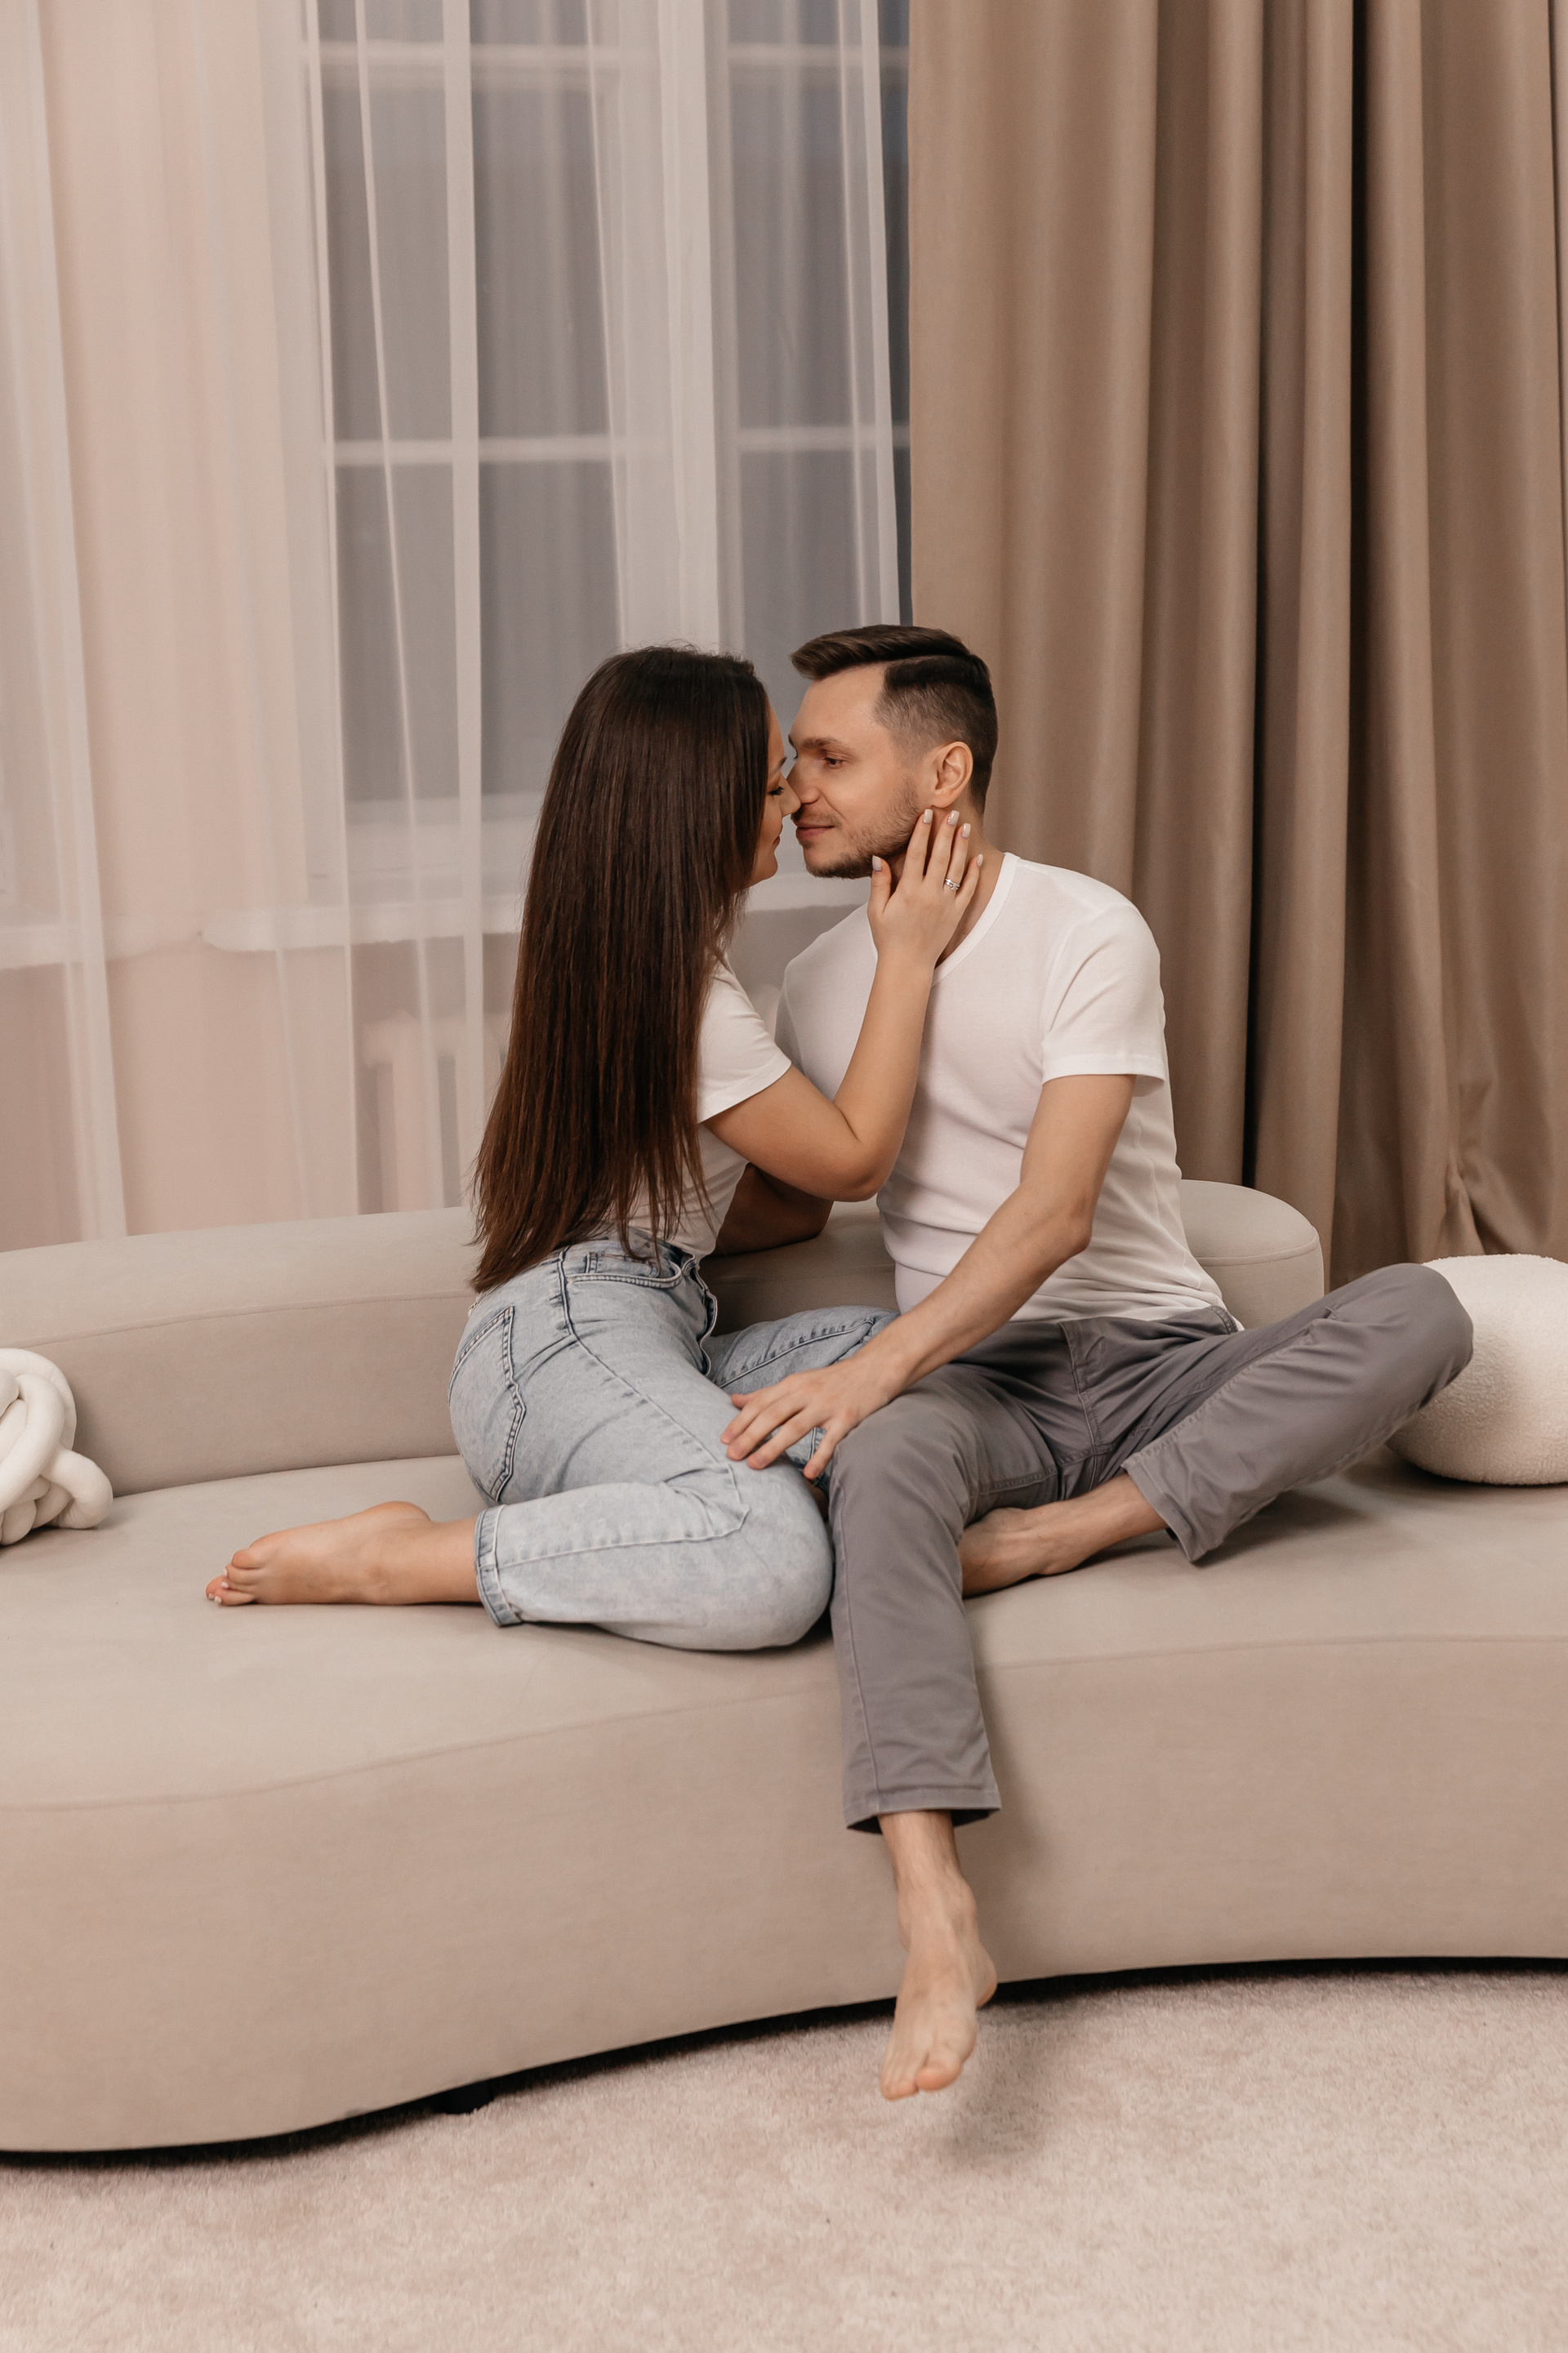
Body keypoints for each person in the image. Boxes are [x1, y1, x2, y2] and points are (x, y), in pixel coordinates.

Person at [717, 624, 1474, 2103]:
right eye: (797, 761)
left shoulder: (1084, 928)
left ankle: (1073, 1533)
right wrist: (633, 1219)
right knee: (880, 1457)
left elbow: (1056, 1213)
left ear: (944, 774)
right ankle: (934, 1906)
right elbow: (806, 1195)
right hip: (979, 1389)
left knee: (1425, 1312)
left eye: (829, 758)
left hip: (1156, 1358)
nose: (797, 788)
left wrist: (876, 1366)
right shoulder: (815, 977)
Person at [205, 643, 979, 1638]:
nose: (792, 799)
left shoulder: (640, 962)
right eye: (770, 781)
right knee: (772, 1553)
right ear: (696, 808)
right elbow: (857, 1160)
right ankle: (397, 1556)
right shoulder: (687, 1000)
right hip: (562, 1341)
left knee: (922, 1356)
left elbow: (795, 1206)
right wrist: (906, 955)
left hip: (658, 1324)